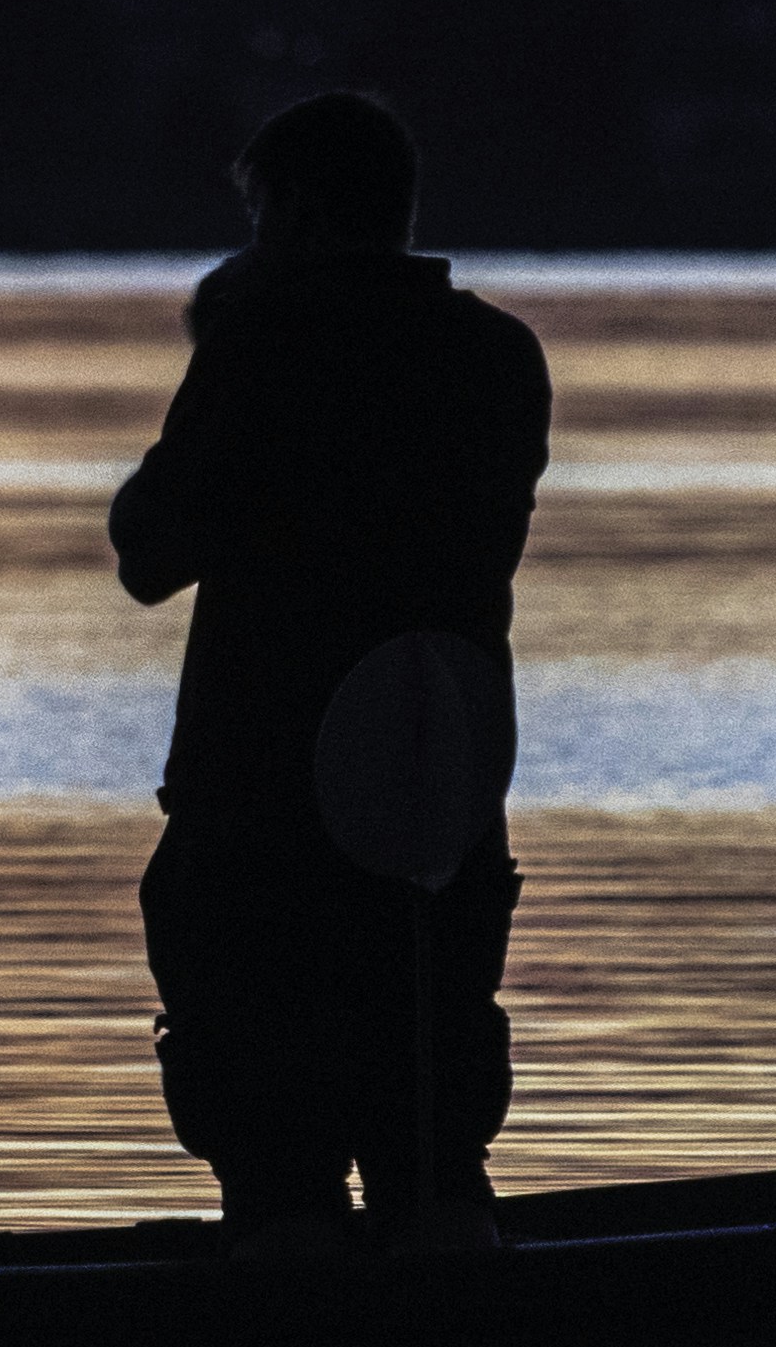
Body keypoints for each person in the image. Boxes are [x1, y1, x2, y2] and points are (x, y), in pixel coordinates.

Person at [108, 91, 552, 1253]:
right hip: (441, 793)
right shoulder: (501, 356)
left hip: (262, 811)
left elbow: (150, 552)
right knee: (434, 1143)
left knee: (276, 1153)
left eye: (260, 213)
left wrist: (227, 343)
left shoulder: (267, 343)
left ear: (296, 213)